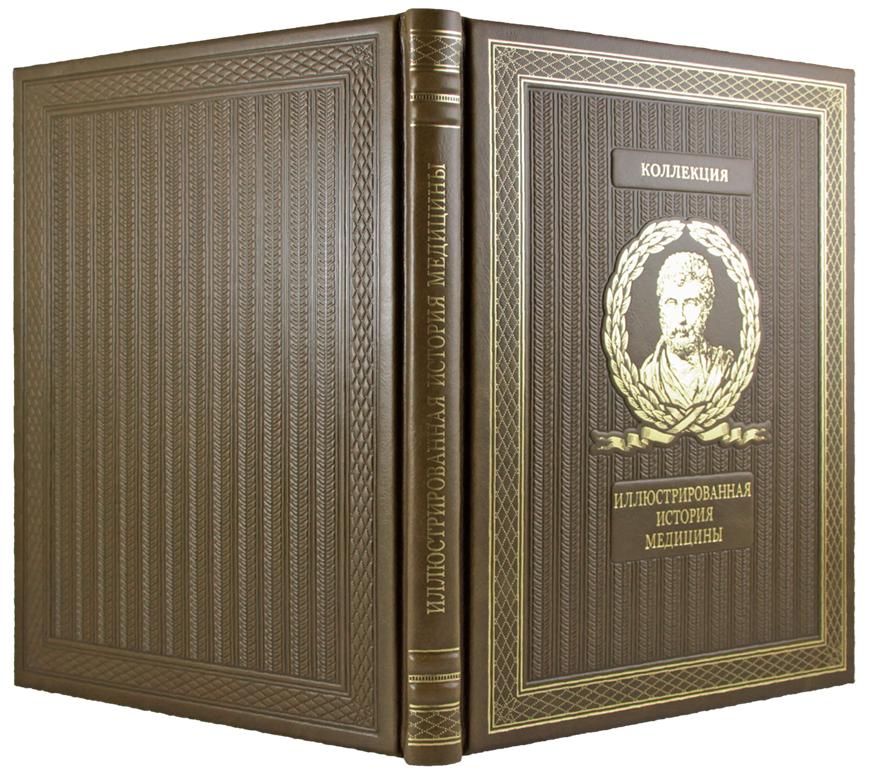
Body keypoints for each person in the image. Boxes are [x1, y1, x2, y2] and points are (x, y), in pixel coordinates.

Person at [639, 251, 734, 408]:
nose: (681, 317)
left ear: (706, 308)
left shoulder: (724, 368)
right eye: (671, 303)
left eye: (690, 303)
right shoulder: (645, 377)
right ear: (661, 307)